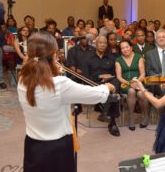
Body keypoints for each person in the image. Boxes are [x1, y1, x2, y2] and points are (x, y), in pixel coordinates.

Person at [18, 32, 115, 172]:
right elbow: (94, 95)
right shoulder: (59, 84)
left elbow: (42, 79)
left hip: (33, 144)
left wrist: (53, 72)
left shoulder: (22, 79)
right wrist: (106, 87)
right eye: (56, 52)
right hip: (57, 147)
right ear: (52, 56)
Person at [83, 36, 121, 136]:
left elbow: (115, 74)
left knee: (116, 81)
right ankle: (112, 123)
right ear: (96, 44)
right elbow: (85, 75)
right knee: (113, 95)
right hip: (95, 83)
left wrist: (108, 79)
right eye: (100, 43)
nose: (102, 45)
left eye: (104, 43)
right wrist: (100, 76)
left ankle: (105, 112)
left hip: (110, 82)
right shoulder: (87, 57)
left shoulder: (112, 57)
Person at [115, 39, 149, 130]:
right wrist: (130, 83)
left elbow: (143, 74)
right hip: (125, 84)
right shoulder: (118, 60)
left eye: (127, 47)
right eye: (122, 48)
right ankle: (131, 117)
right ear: (120, 50)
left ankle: (145, 116)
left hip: (139, 82)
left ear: (131, 47)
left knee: (141, 93)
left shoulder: (139, 57)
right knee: (131, 91)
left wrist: (136, 82)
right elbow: (119, 77)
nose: (125, 49)